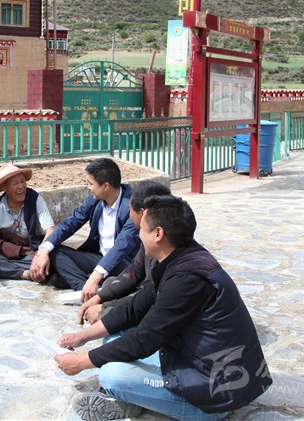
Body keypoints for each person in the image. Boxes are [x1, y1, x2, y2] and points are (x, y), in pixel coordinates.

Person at [55, 195, 272, 421]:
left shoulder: (187, 280)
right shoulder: (180, 258)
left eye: (142, 228)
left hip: (215, 392)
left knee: (112, 375)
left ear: (158, 234)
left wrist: (81, 362)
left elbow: (144, 340)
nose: (138, 234)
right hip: (191, 358)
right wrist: (81, 337)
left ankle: (132, 399)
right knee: (115, 337)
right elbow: (134, 309)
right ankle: (136, 398)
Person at [29, 158, 139, 301]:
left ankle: (84, 284)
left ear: (106, 186)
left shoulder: (132, 206)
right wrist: (43, 251)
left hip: (123, 264)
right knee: (53, 249)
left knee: (58, 277)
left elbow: (121, 246)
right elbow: (70, 223)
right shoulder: (95, 199)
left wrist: (95, 276)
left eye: (90, 183)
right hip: (99, 257)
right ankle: (85, 289)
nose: (88, 187)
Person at [77, 180, 171, 325]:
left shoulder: (163, 248)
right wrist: (99, 297)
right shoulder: (148, 238)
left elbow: (147, 295)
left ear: (143, 213)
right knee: (110, 284)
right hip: (146, 294)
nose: (129, 214)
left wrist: (104, 307)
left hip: (158, 308)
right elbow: (133, 272)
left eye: (130, 209)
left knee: (108, 315)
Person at [0, 163, 56, 280]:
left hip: (32, 252)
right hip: (6, 253)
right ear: (4, 188)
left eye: (22, 181)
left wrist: (42, 253)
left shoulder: (34, 199)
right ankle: (26, 274)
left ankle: (8, 269)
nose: (21, 186)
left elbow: (50, 230)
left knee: (55, 254)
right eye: (15, 183)